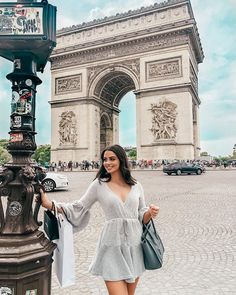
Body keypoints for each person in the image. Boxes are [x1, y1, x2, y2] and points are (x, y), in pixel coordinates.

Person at [40, 144, 159, 295]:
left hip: (134, 247)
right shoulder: (98, 185)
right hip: (111, 246)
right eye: (105, 159)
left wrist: (150, 212)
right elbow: (79, 207)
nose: (107, 163)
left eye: (112, 159)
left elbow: (141, 215)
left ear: (122, 160)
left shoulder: (137, 186)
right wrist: (49, 204)